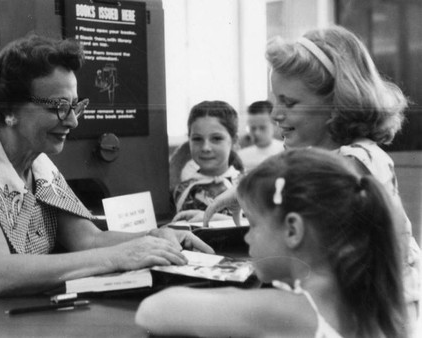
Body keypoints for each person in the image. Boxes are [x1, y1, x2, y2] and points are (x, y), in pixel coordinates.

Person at [0, 35, 213, 300]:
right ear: (10, 111)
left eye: (75, 106)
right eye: (58, 107)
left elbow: (88, 239)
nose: (73, 121)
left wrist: (155, 238)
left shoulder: (36, 161)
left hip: (19, 312)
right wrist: (119, 256)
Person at [203, 25, 421, 329]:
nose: (276, 114)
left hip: (379, 314)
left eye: (289, 102)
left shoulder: (358, 161)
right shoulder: (315, 152)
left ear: (335, 106)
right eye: (275, 101)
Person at [136, 148, 407, 337]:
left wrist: (235, 298)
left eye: (253, 224)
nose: (247, 236)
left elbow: (151, 312)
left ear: (292, 230)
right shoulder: (373, 302)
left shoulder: (283, 311)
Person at [171, 100, 243, 223]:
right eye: (197, 139)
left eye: (216, 138)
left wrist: (214, 218)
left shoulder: (251, 185)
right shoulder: (182, 190)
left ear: (234, 141)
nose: (205, 147)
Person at [237, 100, 284, 171]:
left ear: (274, 125)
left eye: (262, 128)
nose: (256, 133)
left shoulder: (285, 152)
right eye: (252, 128)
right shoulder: (240, 157)